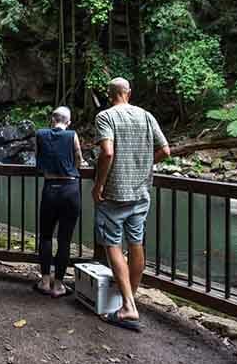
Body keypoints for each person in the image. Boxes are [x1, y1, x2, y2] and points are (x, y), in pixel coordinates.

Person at [91, 77, 170, 332]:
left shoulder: (106, 117)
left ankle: (127, 305)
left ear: (109, 94)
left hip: (114, 193)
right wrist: (146, 165)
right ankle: (130, 298)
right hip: (141, 193)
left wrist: (99, 184)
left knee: (113, 244)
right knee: (136, 243)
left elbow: (108, 152)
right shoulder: (146, 116)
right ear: (129, 93)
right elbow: (166, 150)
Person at [33, 106, 84, 298]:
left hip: (50, 188)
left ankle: (45, 281)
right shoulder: (72, 135)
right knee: (64, 240)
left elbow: (38, 160)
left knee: (46, 236)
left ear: (51, 119)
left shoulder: (40, 134)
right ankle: (59, 285)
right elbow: (78, 159)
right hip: (70, 189)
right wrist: (75, 166)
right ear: (68, 122)